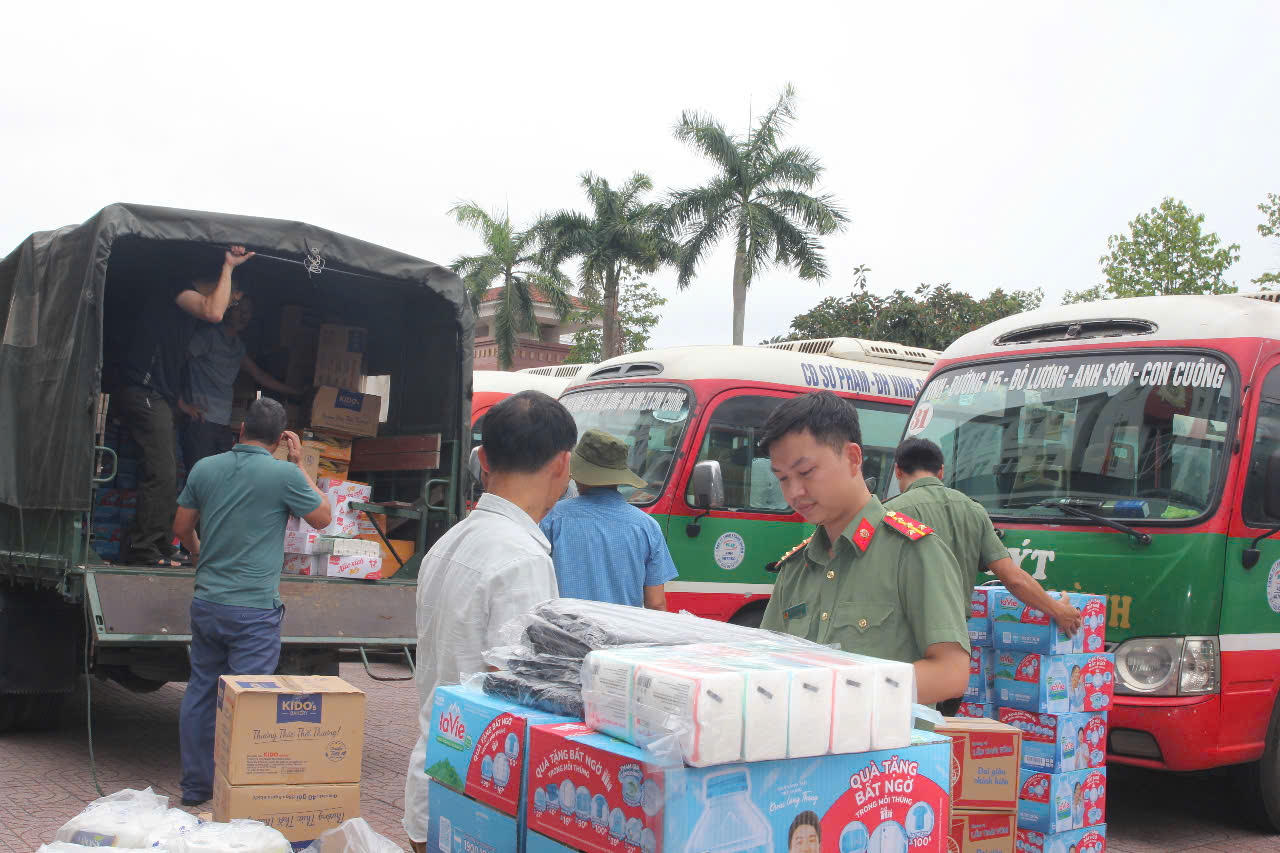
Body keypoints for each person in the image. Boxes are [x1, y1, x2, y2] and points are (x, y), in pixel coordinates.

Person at [403, 391, 577, 851]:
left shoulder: (450, 541)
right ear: (563, 464)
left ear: (481, 460)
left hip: (435, 776)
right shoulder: (521, 559)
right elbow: (518, 691)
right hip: (480, 799)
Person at [758, 391, 970, 706]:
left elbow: (951, 672)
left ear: (853, 458)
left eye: (805, 473)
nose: (794, 492)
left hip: (887, 754)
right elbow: (763, 661)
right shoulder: (796, 568)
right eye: (782, 479)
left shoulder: (912, 552)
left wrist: (845, 690)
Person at [171, 397, 331, 807]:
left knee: (202, 691)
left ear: (240, 430)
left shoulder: (206, 468)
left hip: (207, 602)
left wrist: (197, 552)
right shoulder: (284, 475)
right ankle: (238, 791)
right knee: (249, 701)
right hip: (255, 612)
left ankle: (195, 788)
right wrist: (298, 463)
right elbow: (323, 517)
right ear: (281, 440)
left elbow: (181, 527)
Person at [119, 244, 254, 566]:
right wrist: (229, 268)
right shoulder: (176, 286)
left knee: (169, 473)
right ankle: (144, 548)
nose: (235, 302)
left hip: (159, 395)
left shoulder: (189, 320)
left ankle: (162, 544)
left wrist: (179, 401)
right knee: (162, 472)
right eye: (236, 296)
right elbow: (214, 311)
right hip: (143, 390)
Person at [887, 437, 1082, 633]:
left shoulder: (889, 513)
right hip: (954, 638)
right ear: (941, 471)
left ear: (898, 470)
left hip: (901, 635)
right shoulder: (973, 510)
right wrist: (1058, 610)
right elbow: (1014, 579)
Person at [539, 429, 678, 610]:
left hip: (563, 633)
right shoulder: (647, 527)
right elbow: (656, 603)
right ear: (619, 478)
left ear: (579, 474)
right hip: (622, 635)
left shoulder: (552, 518)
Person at [184, 292, 306, 468]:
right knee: (196, 475)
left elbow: (259, 376)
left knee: (221, 477)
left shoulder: (238, 347)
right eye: (238, 310)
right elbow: (179, 361)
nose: (243, 315)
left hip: (223, 422)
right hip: (201, 421)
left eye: (247, 312)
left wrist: (296, 391)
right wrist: (182, 403)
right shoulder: (208, 336)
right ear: (227, 310)